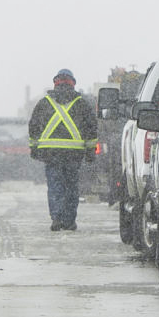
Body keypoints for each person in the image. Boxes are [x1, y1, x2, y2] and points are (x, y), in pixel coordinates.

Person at [29, 68, 98, 231]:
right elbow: (91, 128)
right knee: (71, 187)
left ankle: (56, 217)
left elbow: (33, 127)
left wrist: (34, 148)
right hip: (73, 154)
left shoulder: (44, 103)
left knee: (55, 186)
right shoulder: (81, 104)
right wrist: (90, 151)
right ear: (73, 84)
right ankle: (69, 220)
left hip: (51, 153)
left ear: (55, 84)